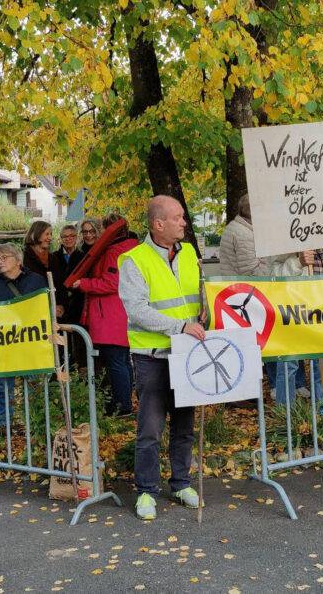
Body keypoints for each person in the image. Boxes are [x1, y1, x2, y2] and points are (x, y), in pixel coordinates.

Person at [118, 195, 204, 520]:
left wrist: (205, 316)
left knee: (184, 425)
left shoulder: (190, 252)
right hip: (152, 357)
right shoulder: (133, 260)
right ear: (158, 224)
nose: (184, 222)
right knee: (150, 429)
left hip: (187, 354)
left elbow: (199, 293)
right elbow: (138, 312)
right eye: (178, 217)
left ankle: (181, 483)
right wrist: (181, 326)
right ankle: (146, 491)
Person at [72, 215, 140, 416]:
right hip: (121, 312)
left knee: (116, 361)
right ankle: (124, 403)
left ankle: (122, 406)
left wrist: (84, 284)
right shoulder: (132, 246)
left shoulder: (113, 251)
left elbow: (111, 282)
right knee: (123, 361)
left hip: (110, 315)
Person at [0, 243, 45, 430]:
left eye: (4, 257)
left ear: (18, 260)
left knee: (34, 384)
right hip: (4, 345)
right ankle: (5, 424)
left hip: (30, 343)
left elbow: (45, 309)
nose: (0, 262)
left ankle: (36, 422)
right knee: (2, 387)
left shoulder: (36, 280)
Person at [218, 194, 268, 276]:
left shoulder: (236, 227)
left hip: (233, 285)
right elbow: (252, 274)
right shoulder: (244, 235)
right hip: (243, 287)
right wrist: (270, 257)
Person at [50, 224, 83, 324]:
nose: (68, 239)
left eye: (71, 236)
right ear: (61, 239)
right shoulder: (53, 257)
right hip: (59, 304)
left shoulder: (83, 257)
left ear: (76, 237)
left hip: (78, 304)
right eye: (65, 236)